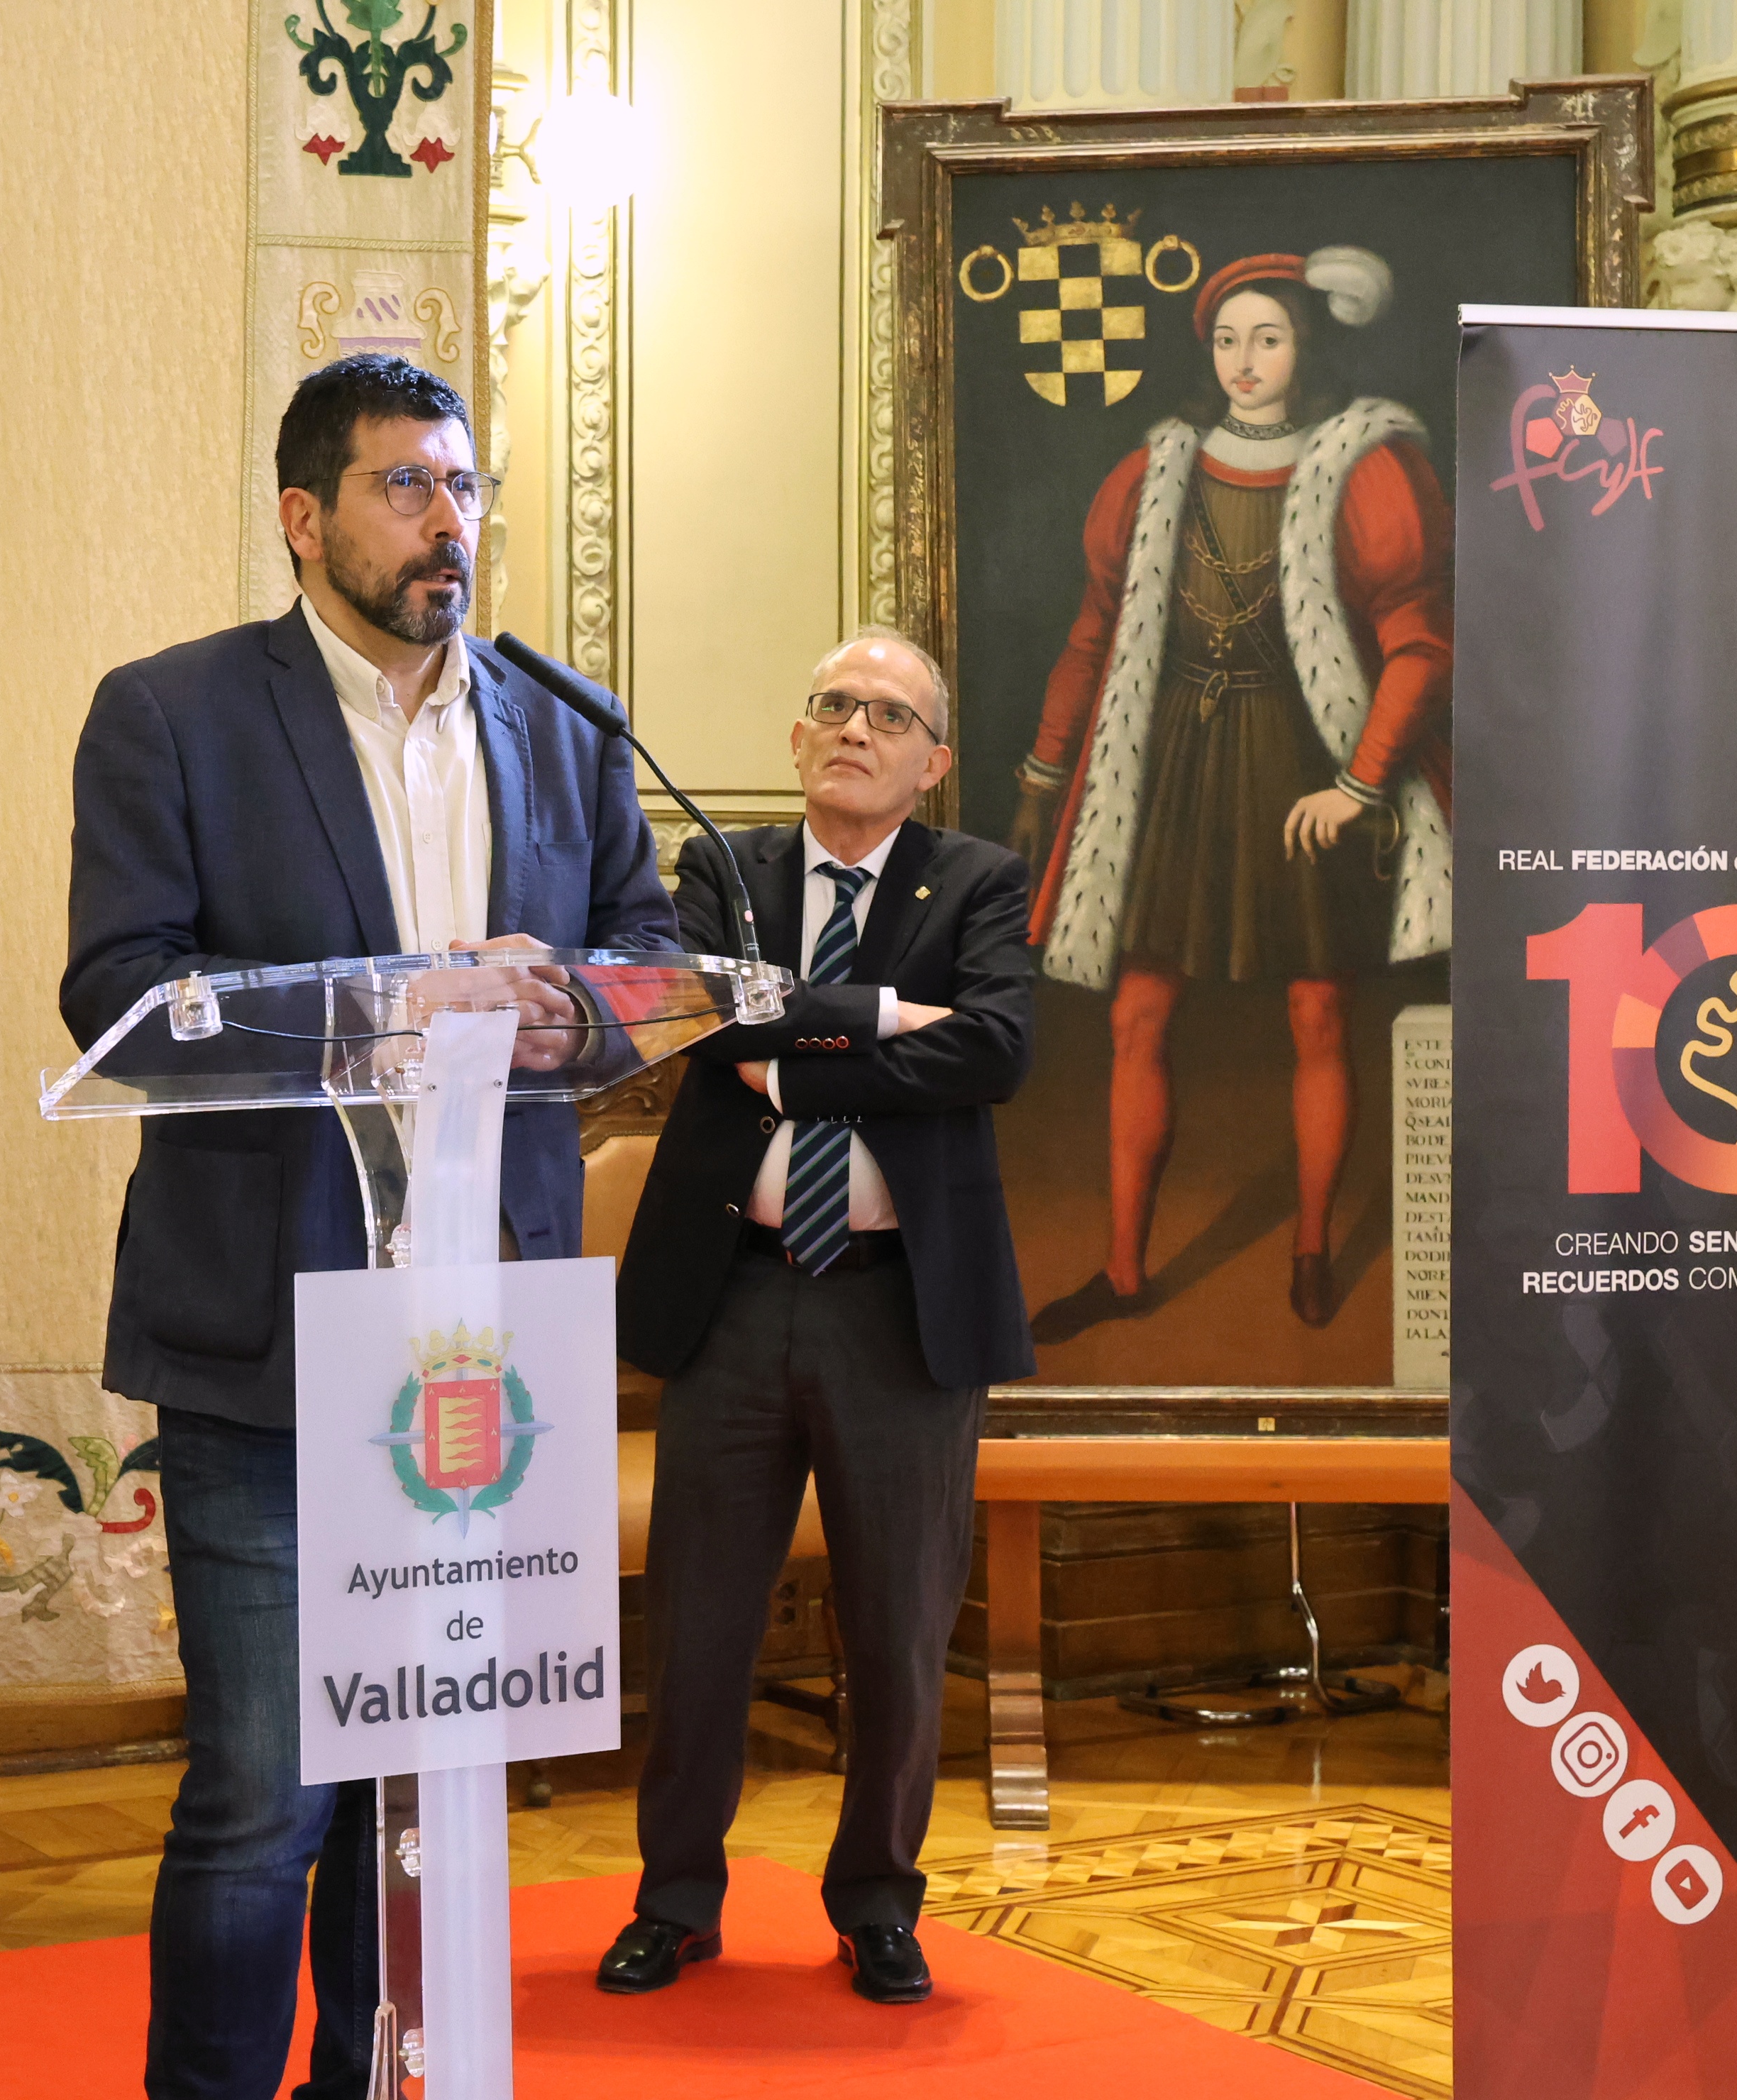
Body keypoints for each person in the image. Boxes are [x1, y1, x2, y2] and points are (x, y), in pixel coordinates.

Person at [62, 353, 673, 2099]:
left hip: (482, 1343)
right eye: (407, 485)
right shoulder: (173, 713)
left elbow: (642, 953)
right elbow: (120, 988)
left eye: (464, 485)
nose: (447, 520)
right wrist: (396, 1001)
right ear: (302, 516)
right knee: (268, 1791)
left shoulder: (563, 724)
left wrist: (574, 1010)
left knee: (421, 1775)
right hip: (270, 1327)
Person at [601, 627, 1032, 2006]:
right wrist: (891, 1017)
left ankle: (878, 1903)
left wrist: (793, 1061)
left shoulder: (980, 879)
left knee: (899, 1629)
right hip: (732, 1292)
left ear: (933, 760)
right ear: (799, 738)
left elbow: (995, 1047)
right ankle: (675, 1899)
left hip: (900, 1309)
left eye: (889, 715)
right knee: (701, 1625)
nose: (856, 728)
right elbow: (698, 1023)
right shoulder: (724, 869)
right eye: (836, 706)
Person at [1010, 247, 1453, 1340]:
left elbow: (1421, 647)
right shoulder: (1154, 472)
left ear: (1309, 346)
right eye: (1226, 339)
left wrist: (1359, 784)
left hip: (1304, 763)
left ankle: (1310, 1250)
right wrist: (1045, 769)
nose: (1244, 361)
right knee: (1137, 1013)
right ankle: (1124, 1270)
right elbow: (1094, 633)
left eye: (1269, 337)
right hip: (1173, 762)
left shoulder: (1368, 467)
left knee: (1317, 1012)